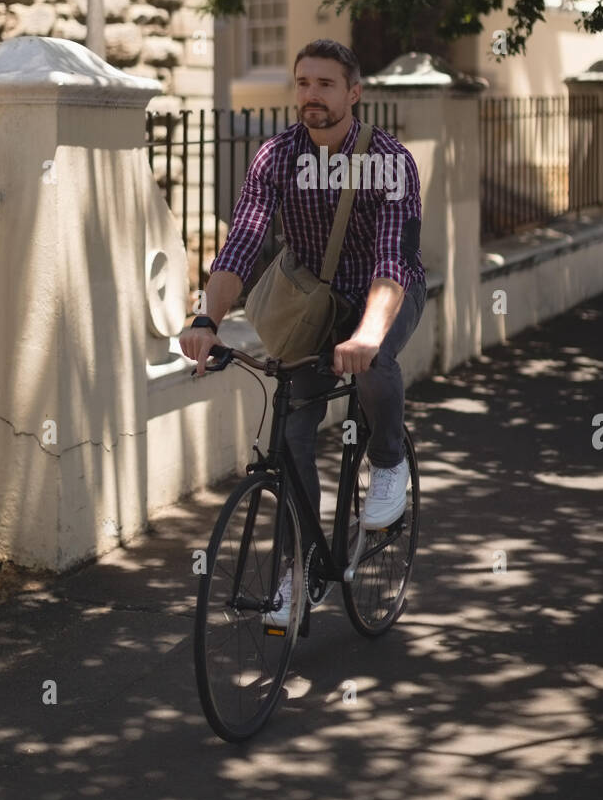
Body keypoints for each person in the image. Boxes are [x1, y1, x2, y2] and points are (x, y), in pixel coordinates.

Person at [178, 39, 427, 624]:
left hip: (386, 291)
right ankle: (305, 566)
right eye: (302, 83)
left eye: (325, 84)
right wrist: (207, 318)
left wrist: (367, 335)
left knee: (377, 361)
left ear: (354, 93)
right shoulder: (276, 157)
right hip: (313, 301)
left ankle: (388, 461)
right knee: (290, 429)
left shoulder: (390, 162)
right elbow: (242, 242)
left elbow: (393, 258)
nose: (310, 95)